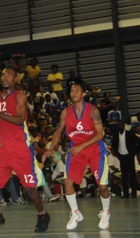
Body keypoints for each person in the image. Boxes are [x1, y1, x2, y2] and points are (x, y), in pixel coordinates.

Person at [0, 67, 50, 233]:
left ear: (15, 79)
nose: (5, 77)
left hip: (21, 149)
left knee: (30, 189)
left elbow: (18, 120)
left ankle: (42, 214)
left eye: (9, 74)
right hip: (3, 148)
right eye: (3, 74)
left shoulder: (20, 95)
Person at [42, 82, 111, 230]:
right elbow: (58, 131)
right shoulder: (65, 113)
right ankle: (75, 213)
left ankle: (106, 211)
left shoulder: (93, 110)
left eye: (77, 90)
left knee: (103, 186)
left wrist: (82, 146)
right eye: (72, 90)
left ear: (83, 94)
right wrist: (50, 149)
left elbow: (100, 134)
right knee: (67, 183)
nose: (73, 93)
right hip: (76, 151)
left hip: (95, 150)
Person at [111, 120, 140, 198]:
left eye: (121, 124)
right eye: (118, 125)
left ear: (124, 125)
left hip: (129, 156)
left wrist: (135, 151)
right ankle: (126, 193)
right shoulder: (116, 135)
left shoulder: (129, 134)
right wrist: (117, 154)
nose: (119, 126)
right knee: (124, 176)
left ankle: (134, 192)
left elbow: (139, 141)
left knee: (132, 174)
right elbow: (113, 145)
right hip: (122, 157)